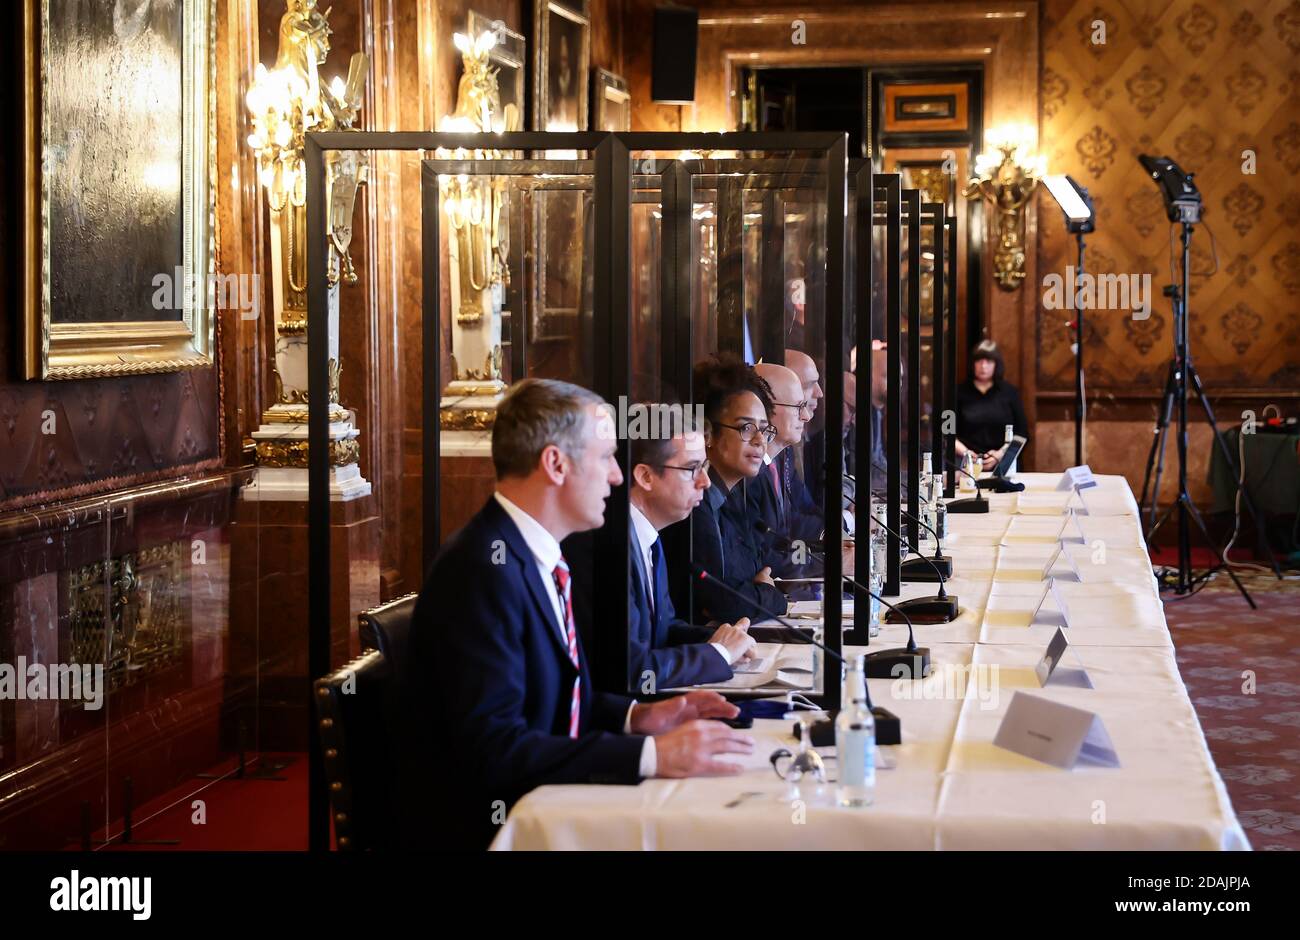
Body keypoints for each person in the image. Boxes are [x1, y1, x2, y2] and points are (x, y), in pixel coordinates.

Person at [408, 378, 754, 850]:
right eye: (606, 458)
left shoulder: (537, 555)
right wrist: (651, 754)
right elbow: (494, 750)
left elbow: (557, 704)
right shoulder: (482, 570)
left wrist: (639, 716)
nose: (617, 475)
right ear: (555, 464)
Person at [624, 416, 756, 690]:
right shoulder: (613, 549)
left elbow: (665, 630)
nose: (706, 482)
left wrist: (721, 639)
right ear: (645, 476)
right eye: (692, 468)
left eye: (705, 467)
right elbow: (632, 670)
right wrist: (718, 654)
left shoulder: (649, 537)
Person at [662, 356, 788, 625]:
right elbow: (721, 603)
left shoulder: (734, 498)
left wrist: (755, 591)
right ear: (707, 434)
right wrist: (767, 594)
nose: (759, 441)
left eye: (764, 430)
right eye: (746, 427)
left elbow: (754, 570)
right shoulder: (692, 504)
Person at [750, 363, 823, 575]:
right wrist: (829, 563)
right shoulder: (748, 477)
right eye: (798, 407)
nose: (806, 416)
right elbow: (767, 555)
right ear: (765, 408)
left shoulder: (780, 459)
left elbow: (790, 527)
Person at [955, 339, 1029, 472]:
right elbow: (946, 433)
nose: (983, 366)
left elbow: (1022, 433)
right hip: (966, 464)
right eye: (979, 361)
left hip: (1003, 463)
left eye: (988, 361)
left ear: (996, 365)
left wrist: (1000, 455)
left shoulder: (1010, 393)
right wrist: (967, 454)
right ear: (972, 364)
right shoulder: (958, 393)